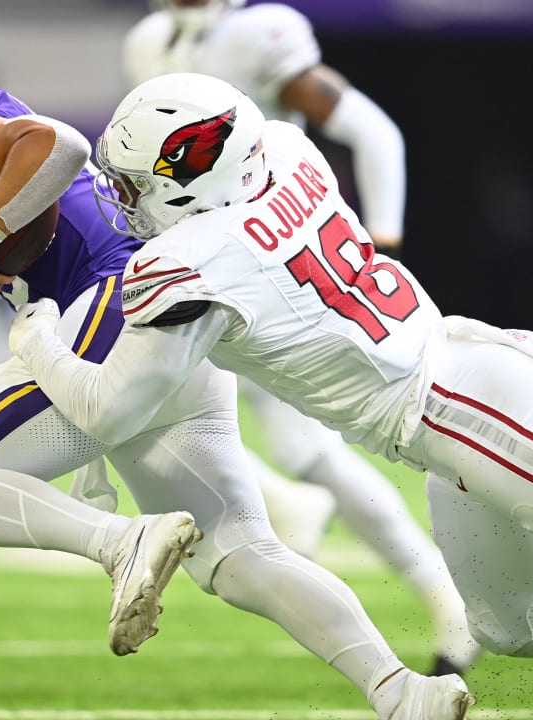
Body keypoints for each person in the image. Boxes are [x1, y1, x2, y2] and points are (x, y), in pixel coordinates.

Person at [8, 72, 533, 720]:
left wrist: (36, 337)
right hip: (453, 403)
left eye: (131, 186)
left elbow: (110, 409)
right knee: (518, 627)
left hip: (474, 415)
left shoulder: (188, 264)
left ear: (187, 176)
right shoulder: (286, 152)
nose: (120, 205)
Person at [0, 18, 474, 720]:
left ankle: (122, 540)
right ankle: (400, 690)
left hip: (111, 305)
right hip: (155, 315)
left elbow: (58, 146)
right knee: (239, 556)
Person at [121, 0, 480, 676]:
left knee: (302, 446)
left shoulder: (258, 36)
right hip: (197, 276)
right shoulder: (146, 41)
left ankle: (439, 590)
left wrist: (381, 246)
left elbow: (375, 132)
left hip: (264, 274)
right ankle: (406, 572)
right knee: (151, 411)